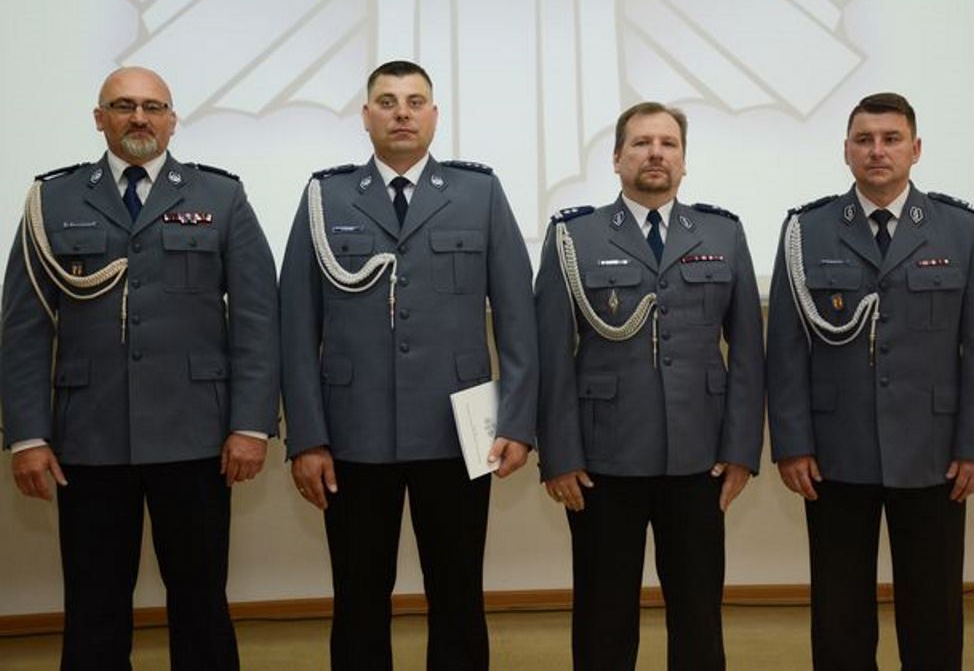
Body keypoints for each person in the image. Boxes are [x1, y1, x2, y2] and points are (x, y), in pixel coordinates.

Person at [0, 67, 279, 670]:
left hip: (197, 437)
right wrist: (27, 436)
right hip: (90, 438)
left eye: (153, 107)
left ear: (173, 120)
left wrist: (251, 425)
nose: (139, 118)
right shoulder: (52, 199)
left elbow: (257, 318)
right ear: (99, 118)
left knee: (201, 603)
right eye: (123, 105)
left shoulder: (220, 197)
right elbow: (24, 327)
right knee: (94, 606)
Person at [279, 60, 538, 670]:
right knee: (358, 596)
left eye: (415, 101)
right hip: (352, 433)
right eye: (388, 101)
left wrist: (517, 422)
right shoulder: (324, 197)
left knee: (458, 593)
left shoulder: (479, 193)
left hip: (457, 432)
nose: (402, 113)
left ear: (434, 115)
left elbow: (518, 318)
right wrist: (307, 437)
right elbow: (296, 327)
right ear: (366, 116)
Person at [766, 92, 974, 670]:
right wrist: (792, 443)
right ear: (846, 151)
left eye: (891, 139)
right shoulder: (806, 230)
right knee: (839, 611)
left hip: (934, 453)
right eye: (865, 140)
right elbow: (786, 349)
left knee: (933, 608)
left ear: (915, 149)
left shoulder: (962, 229)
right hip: (834, 451)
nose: (878, 151)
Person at [535, 101, 764, 670]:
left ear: (684, 160)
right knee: (603, 619)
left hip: (700, 458)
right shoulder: (573, 237)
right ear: (617, 159)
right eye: (641, 143)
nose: (655, 154)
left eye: (668, 144)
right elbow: (551, 357)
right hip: (602, 460)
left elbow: (748, 354)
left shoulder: (723, 232)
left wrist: (741, 450)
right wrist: (559, 455)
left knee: (699, 616)